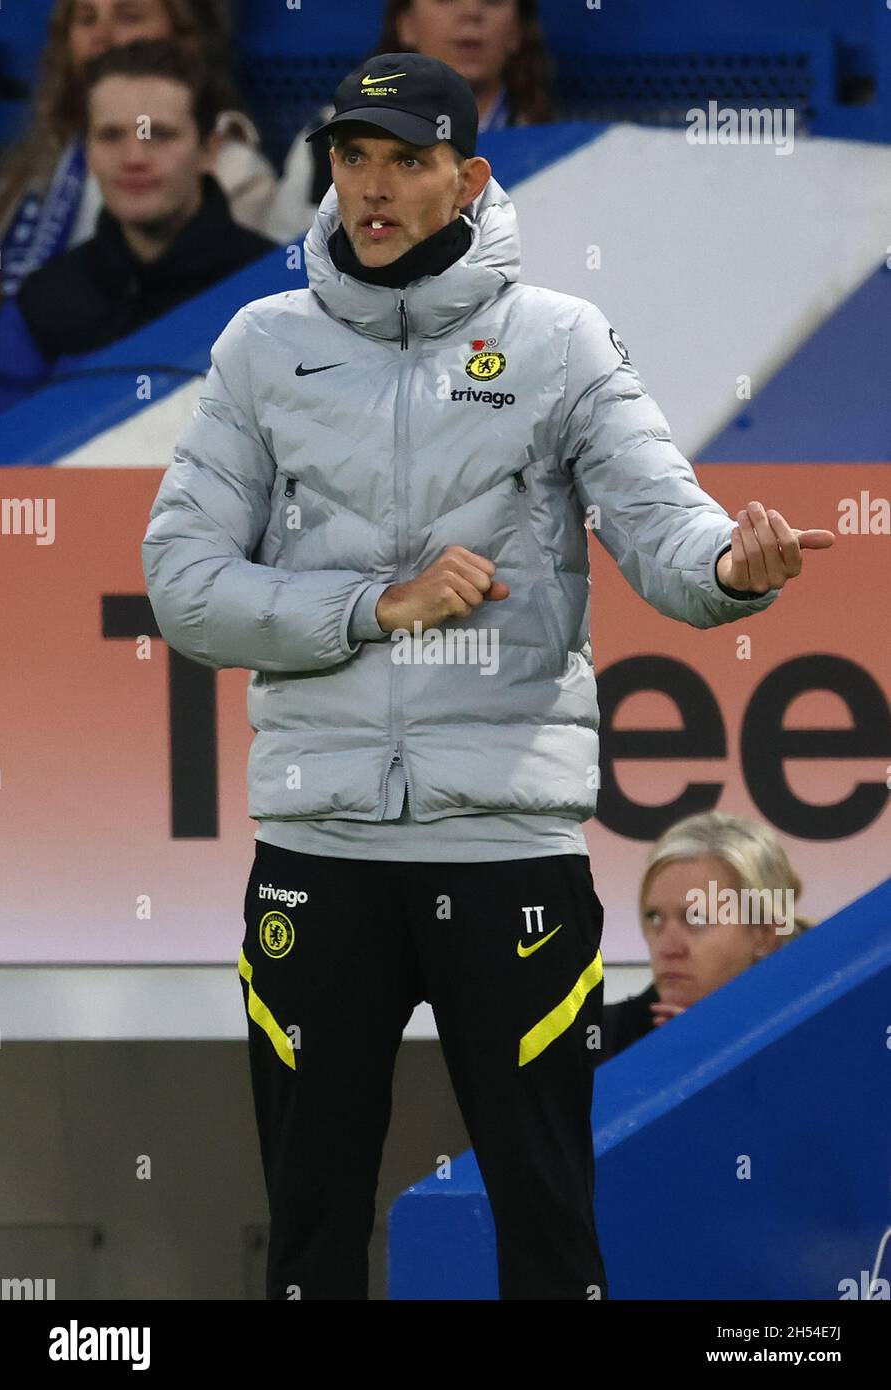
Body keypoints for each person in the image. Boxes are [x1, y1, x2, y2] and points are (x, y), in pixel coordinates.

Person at [141, 52, 834, 1300]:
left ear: (468, 177)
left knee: (550, 1235)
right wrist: (375, 606)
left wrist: (735, 569)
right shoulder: (259, 344)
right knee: (306, 1243)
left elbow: (668, 537)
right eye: (355, 156)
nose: (375, 185)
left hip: (506, 846)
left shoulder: (559, 342)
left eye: (408, 161)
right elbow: (181, 584)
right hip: (322, 847)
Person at [0, 40, 275, 410]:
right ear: (87, 150)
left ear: (210, 149)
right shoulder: (39, 306)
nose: (134, 158)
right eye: (111, 135)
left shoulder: (278, 294)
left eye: (159, 134)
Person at [0, 0, 277, 296]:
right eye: (86, 18)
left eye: (129, 17)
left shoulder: (237, 170)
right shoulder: (39, 156)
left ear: (186, 37)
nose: (101, 36)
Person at [265, 0, 554, 243]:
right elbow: (281, 264)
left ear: (517, 32)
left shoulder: (566, 147)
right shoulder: (329, 137)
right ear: (405, 24)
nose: (471, 11)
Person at [594, 811, 816, 1067]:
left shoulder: (814, 1043)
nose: (667, 948)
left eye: (696, 919)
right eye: (655, 918)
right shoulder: (593, 1041)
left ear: (764, 935)